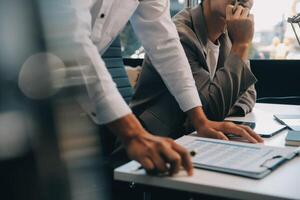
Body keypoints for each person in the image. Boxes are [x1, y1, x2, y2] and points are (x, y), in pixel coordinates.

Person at [44, 0, 262, 177]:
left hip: (66, 89)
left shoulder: (225, 37)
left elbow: (164, 41)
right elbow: (71, 42)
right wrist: (133, 135)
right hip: (32, 77)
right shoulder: (186, 30)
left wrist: (200, 119)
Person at [131, 0, 263, 142]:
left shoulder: (230, 34)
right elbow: (209, 113)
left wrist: (220, 101)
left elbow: (248, 96)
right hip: (150, 144)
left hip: (189, 139)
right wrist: (241, 44)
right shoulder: (180, 34)